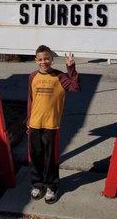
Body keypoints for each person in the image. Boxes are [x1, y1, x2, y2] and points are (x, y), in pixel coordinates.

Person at [27, 45, 80, 204]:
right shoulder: (32, 76)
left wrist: (71, 67)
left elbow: (75, 87)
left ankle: (52, 186)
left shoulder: (60, 76)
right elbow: (31, 100)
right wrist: (28, 122)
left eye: (47, 58)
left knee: (51, 158)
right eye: (41, 59)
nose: (44, 62)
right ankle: (37, 184)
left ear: (52, 59)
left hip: (51, 125)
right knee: (36, 157)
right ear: (36, 60)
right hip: (35, 124)